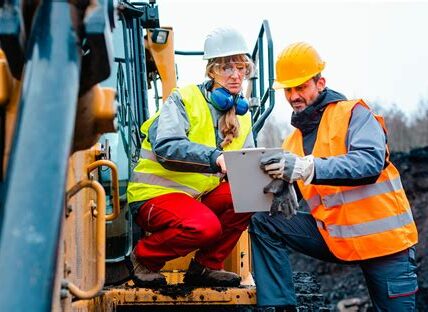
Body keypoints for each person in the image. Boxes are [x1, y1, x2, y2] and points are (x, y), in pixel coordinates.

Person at [249, 42, 419, 311]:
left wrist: (308, 168)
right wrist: (283, 189)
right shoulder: (291, 143)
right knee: (264, 222)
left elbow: (369, 163)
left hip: (385, 243)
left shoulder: (354, 113)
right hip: (337, 239)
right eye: (288, 90)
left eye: (301, 87)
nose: (294, 96)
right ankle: (280, 306)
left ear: (320, 83)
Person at [126, 27, 255, 288]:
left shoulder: (243, 116)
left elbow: (247, 166)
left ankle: (206, 267)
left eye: (241, 67)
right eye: (226, 67)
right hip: (154, 195)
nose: (235, 74)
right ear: (212, 71)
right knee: (205, 226)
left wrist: (274, 178)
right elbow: (166, 147)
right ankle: (144, 259)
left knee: (248, 192)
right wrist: (214, 156)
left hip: (194, 199)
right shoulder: (183, 99)